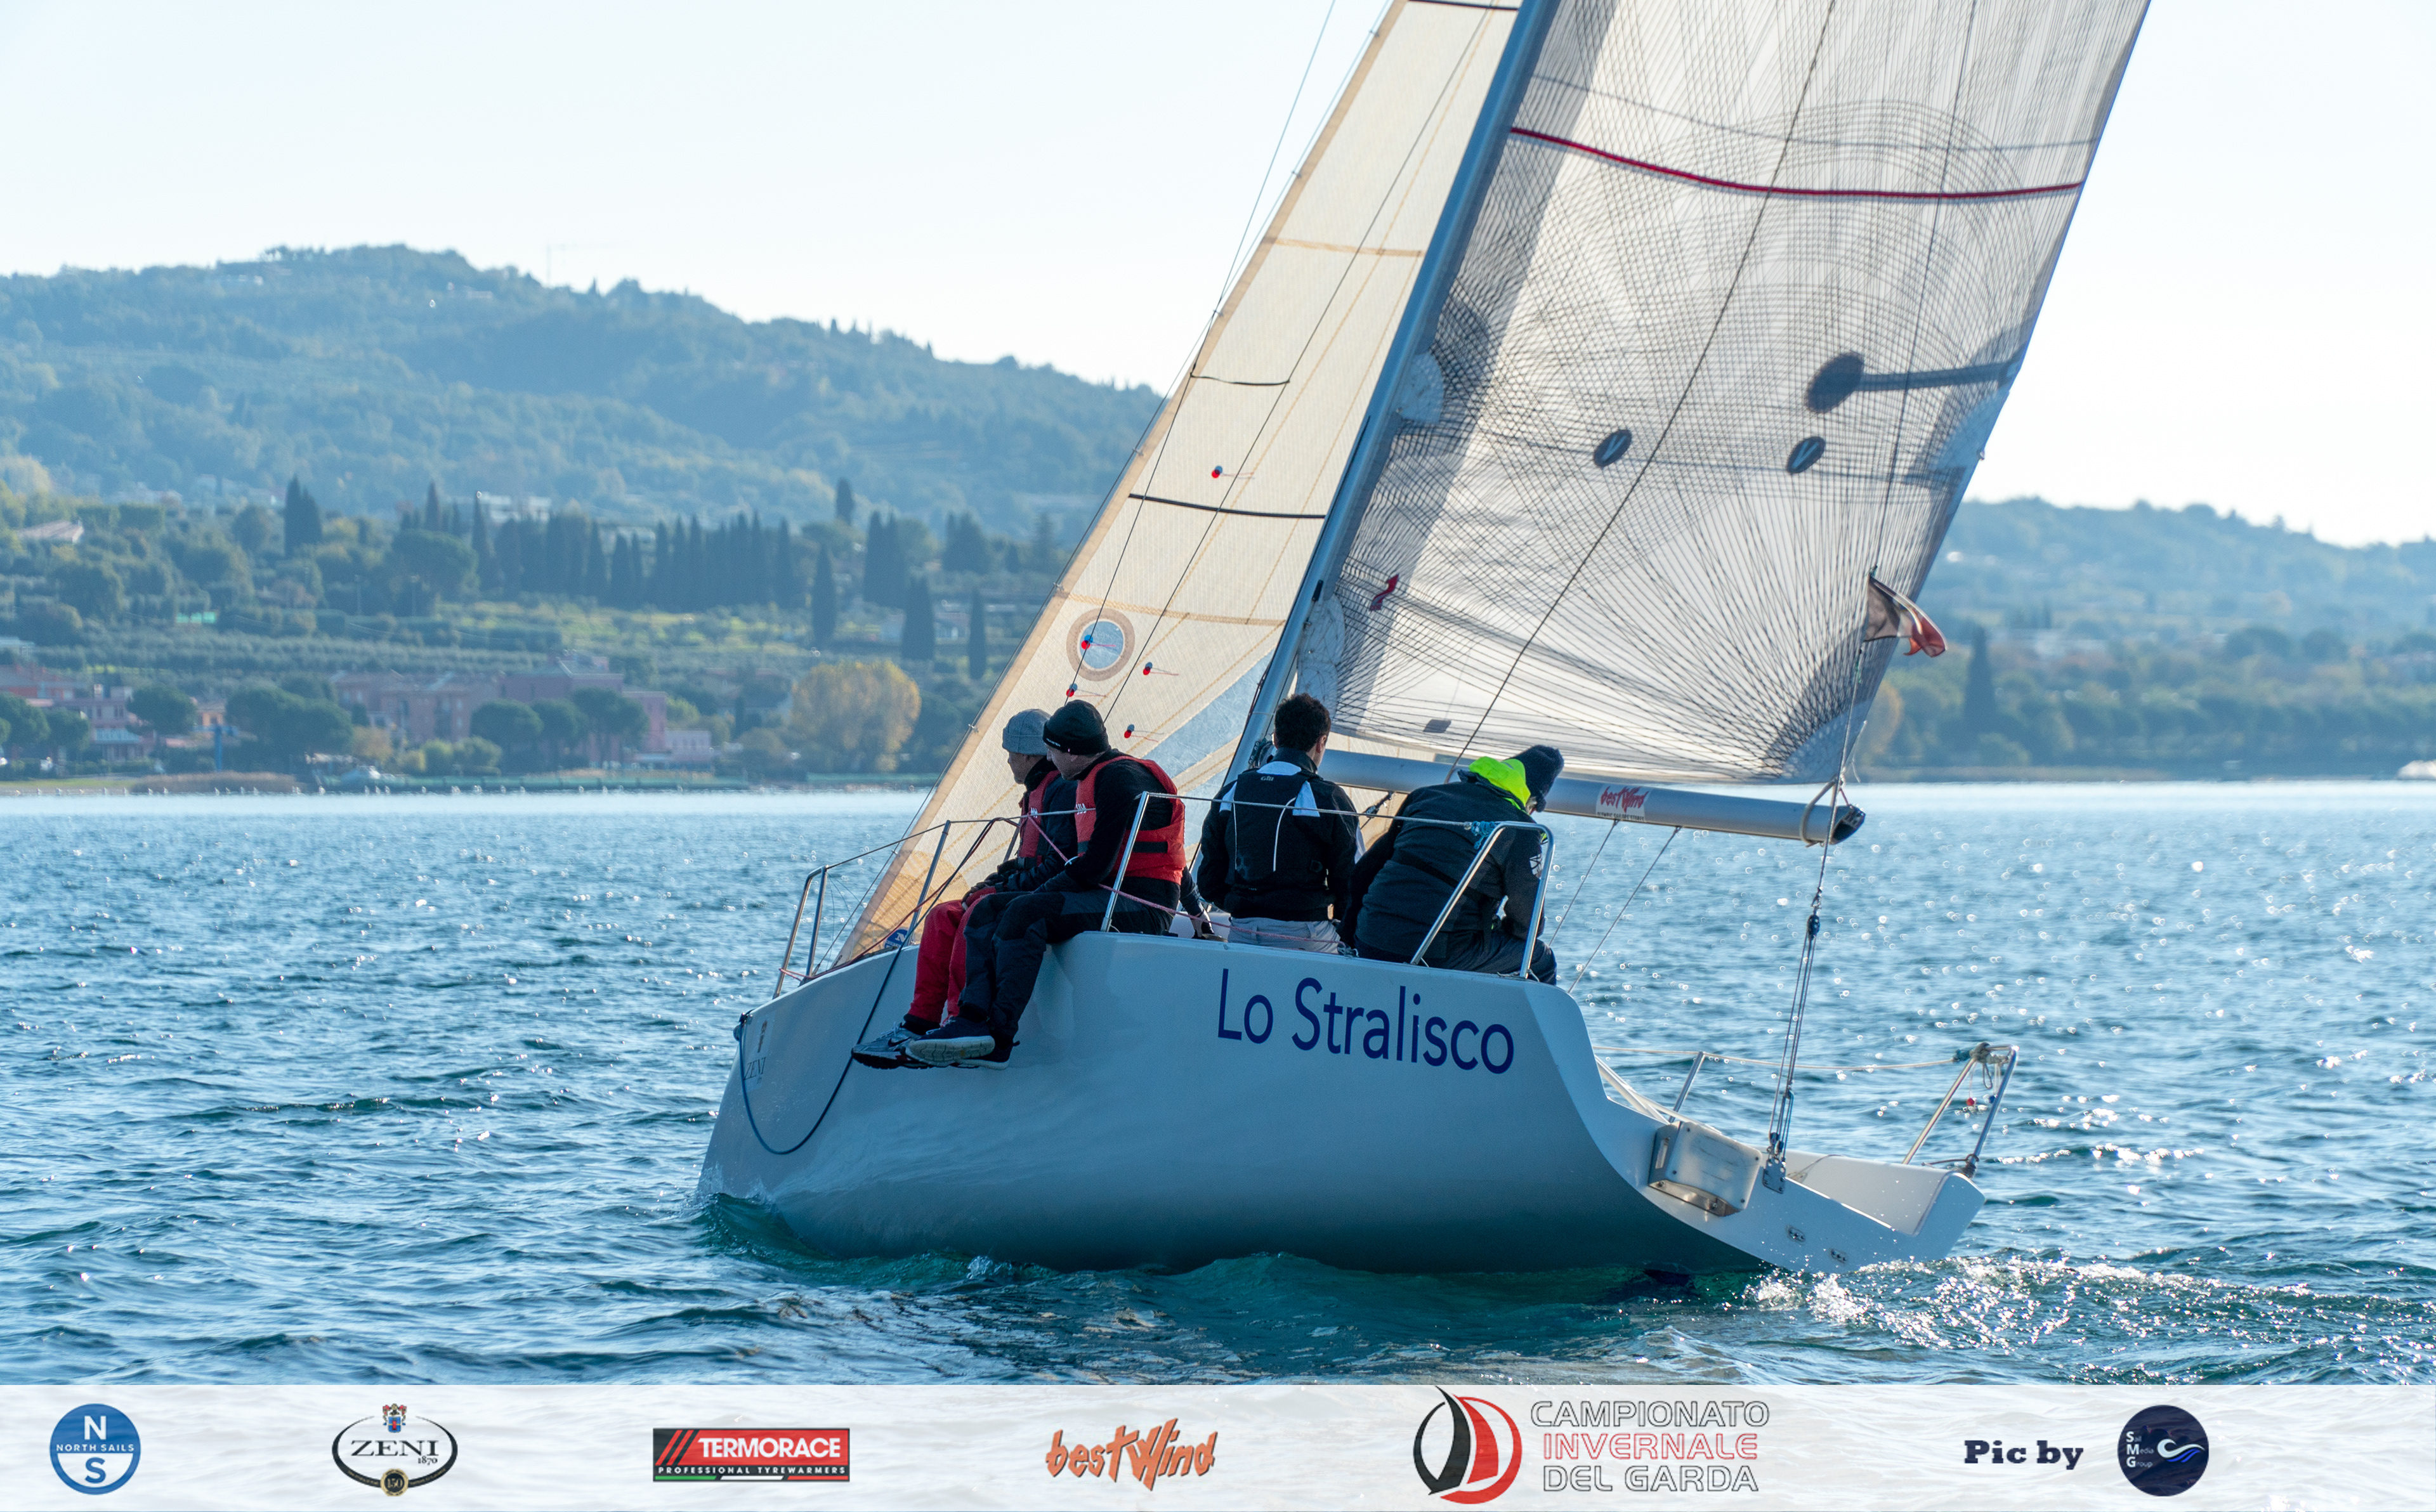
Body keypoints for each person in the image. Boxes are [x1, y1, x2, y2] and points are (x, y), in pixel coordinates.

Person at [908, 700, 1184, 1066]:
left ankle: (999, 1035)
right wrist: (1199, 916)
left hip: (1139, 904)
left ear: (1070, 752)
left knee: (1026, 912)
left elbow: (1096, 867)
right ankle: (971, 1019)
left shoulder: (1119, 779)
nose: (1048, 760)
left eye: (1052, 751)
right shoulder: (1100, 776)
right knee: (991, 907)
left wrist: (1034, 894)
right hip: (1115, 895)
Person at [852, 709, 1075, 1067]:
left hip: (1044, 894)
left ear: (1030, 754)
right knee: (943, 915)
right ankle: (919, 1022)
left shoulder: (1061, 791)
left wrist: (1000, 890)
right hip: (1025, 886)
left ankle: (961, 1020)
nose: (1008, 761)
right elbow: (1027, 861)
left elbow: (1058, 864)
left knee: (976, 912)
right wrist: (994, 882)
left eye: (1011, 754)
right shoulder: (1034, 793)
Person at [1346, 745, 1562, 982]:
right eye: (1533, 808)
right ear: (1530, 799)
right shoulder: (1520, 829)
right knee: (1540, 959)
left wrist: (1346, 939)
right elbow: (1529, 925)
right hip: (1435, 954)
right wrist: (1493, 931)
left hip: (1367, 939)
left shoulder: (1426, 795)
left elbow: (1362, 876)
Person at [1196, 691, 1359, 951]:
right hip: (1304, 933)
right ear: (1321, 742)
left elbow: (1208, 878)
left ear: (1275, 738)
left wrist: (1243, 906)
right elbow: (1351, 879)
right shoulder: (1328, 798)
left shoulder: (1232, 792)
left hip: (1243, 931)